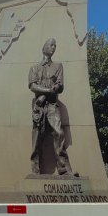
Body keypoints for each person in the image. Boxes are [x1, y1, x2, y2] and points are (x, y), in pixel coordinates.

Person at [28, 38, 77, 176]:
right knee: (37, 137)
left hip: (52, 105)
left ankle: (65, 170)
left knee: (59, 133)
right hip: (39, 106)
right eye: (51, 45)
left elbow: (60, 86)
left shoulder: (58, 66)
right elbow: (32, 85)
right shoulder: (34, 68)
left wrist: (53, 89)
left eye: (55, 46)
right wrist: (47, 91)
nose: (53, 47)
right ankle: (35, 171)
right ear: (43, 49)